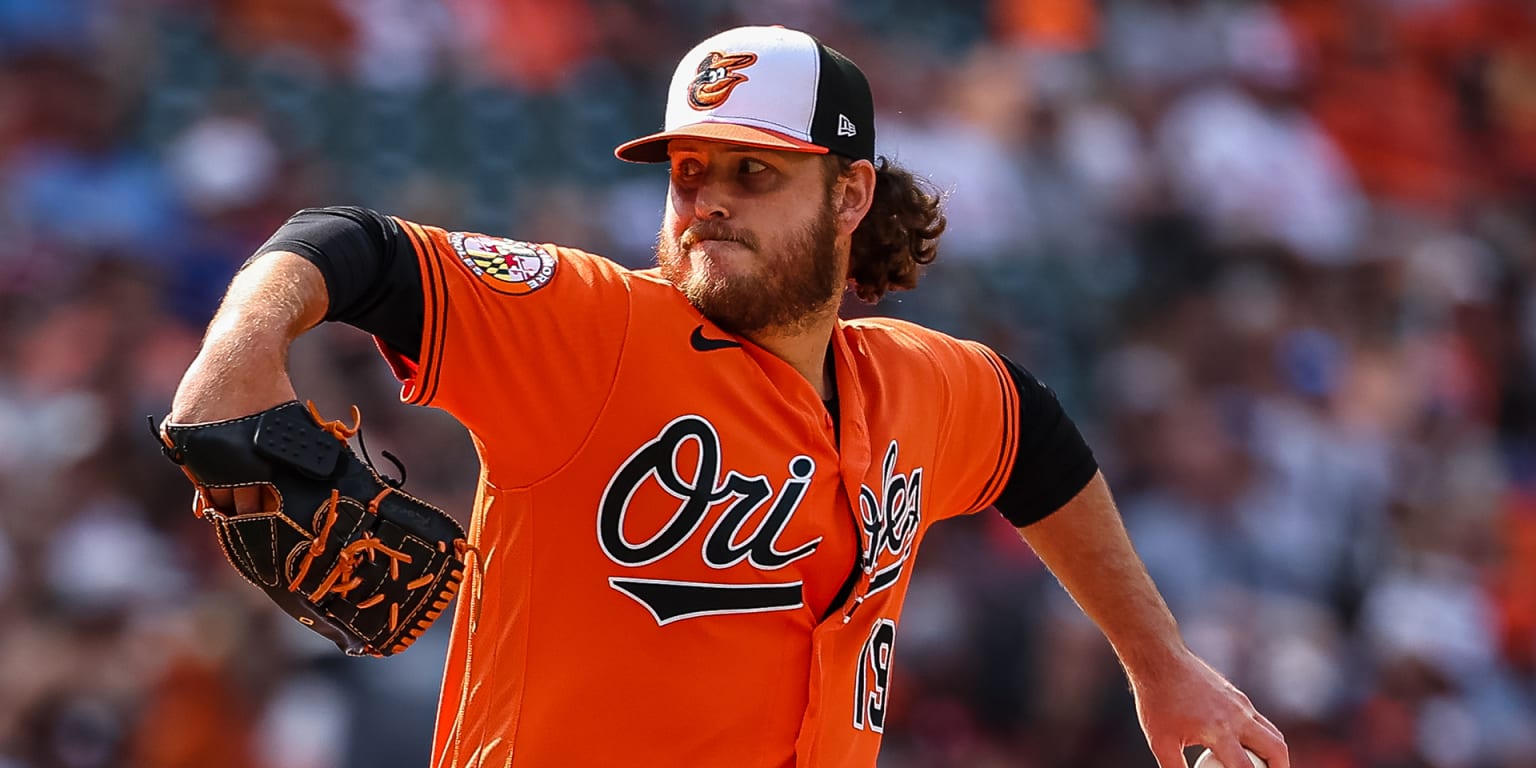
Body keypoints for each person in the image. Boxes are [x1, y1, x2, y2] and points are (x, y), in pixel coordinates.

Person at [168, 25, 1288, 768]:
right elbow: (349, 246)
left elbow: (1034, 439)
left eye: (754, 172)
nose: (707, 199)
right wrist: (234, 365)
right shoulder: (598, 328)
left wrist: (1160, 664)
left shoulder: (919, 382)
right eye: (689, 170)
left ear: (850, 193)